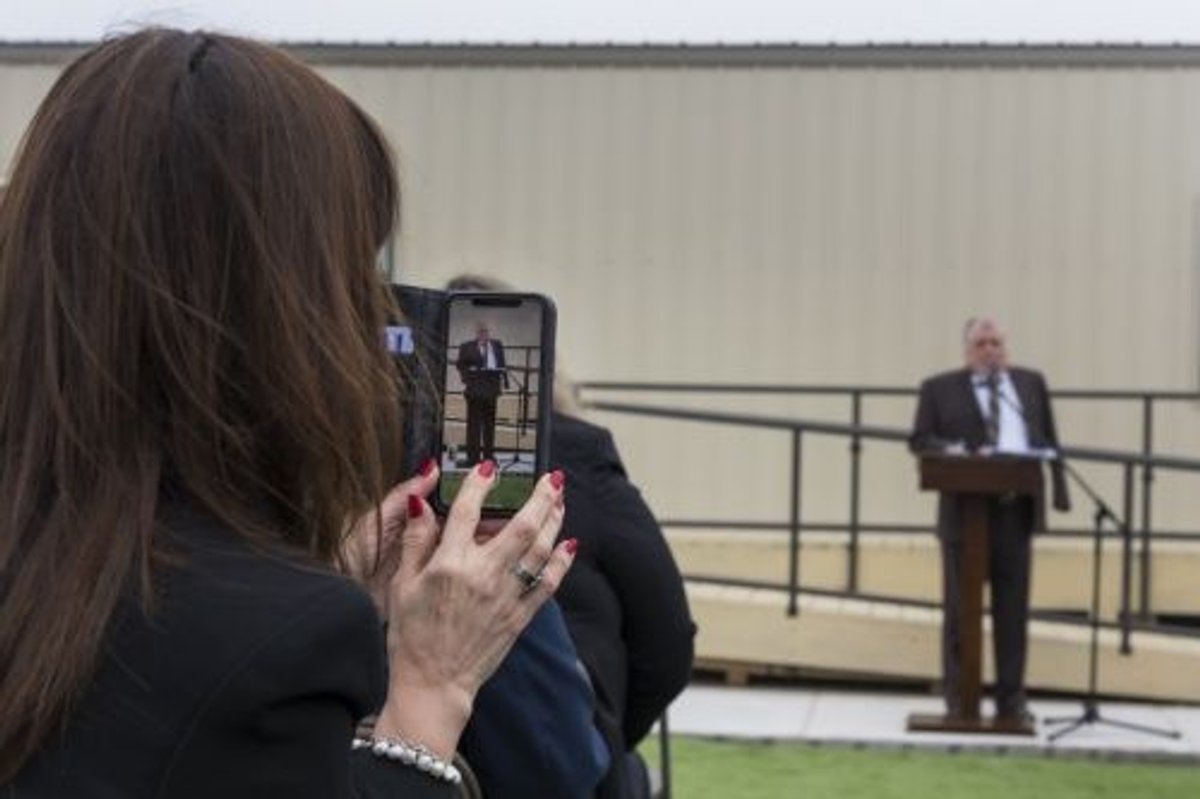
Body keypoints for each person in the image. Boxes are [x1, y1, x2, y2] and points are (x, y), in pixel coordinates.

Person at [0, 29, 577, 798]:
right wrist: (429, 694)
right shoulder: (283, 645)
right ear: (278, 310)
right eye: (351, 268)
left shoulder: (62, 573)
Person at [448, 274, 696, 799]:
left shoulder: (577, 459)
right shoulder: (580, 455)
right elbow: (668, 636)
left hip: (553, 748)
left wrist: (600, 733)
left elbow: (667, 637)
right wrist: (606, 736)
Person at [909, 317, 1070, 723]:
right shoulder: (939, 388)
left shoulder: (1030, 384)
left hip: (1015, 511)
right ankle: (959, 698)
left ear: (1006, 347)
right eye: (981, 343)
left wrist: (1059, 492)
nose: (989, 350)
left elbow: (1049, 439)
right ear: (967, 350)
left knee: (1013, 611)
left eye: (996, 342)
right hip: (964, 515)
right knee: (960, 611)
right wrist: (958, 451)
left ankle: (1011, 700)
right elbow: (920, 440)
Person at [456, 322, 508, 466]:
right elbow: (460, 365)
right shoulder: (467, 347)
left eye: (486, 331)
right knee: (474, 426)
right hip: (474, 391)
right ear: (476, 333)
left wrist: (502, 382)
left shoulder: (497, 345)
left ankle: (488, 457)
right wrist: (467, 378)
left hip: (491, 391)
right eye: (481, 331)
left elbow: (502, 364)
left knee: (489, 426)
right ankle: (473, 458)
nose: (484, 334)